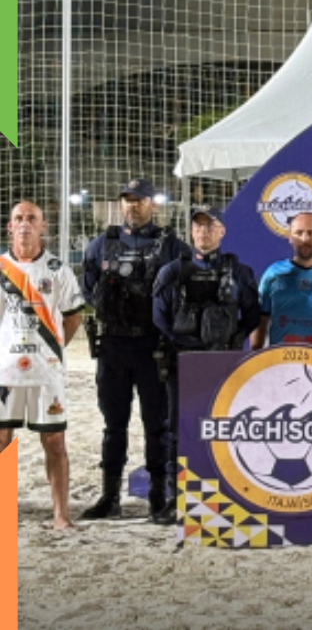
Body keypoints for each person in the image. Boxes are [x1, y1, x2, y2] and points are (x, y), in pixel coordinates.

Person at [80, 178, 190, 520]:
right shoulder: (101, 245)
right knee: (114, 424)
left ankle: (158, 497)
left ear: (152, 204)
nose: (133, 205)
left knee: (157, 425)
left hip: (152, 345)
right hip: (113, 345)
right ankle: (109, 496)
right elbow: (89, 290)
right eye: (127, 199)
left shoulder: (172, 246)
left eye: (140, 200)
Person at [151, 205, 261, 523]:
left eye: (210, 226)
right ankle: (177, 497)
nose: (203, 232)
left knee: (222, 428)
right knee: (178, 429)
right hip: (182, 362)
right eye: (198, 226)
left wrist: (229, 342)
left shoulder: (239, 272)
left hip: (222, 363)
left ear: (222, 232)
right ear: (191, 231)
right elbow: (159, 317)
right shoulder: (171, 271)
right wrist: (186, 345)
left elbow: (252, 315)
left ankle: (224, 493)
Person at [0, 202, 84, 530]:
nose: (24, 224)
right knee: (2, 439)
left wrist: (52, 349)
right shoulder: (1, 267)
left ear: (42, 226)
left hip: (46, 372)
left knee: (55, 443)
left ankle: (61, 515)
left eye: (31, 218)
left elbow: (73, 317)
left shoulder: (57, 270)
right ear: (10, 226)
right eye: (18, 218)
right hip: (5, 371)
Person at [250, 212, 312, 349]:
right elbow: (260, 318)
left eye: (311, 233)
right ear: (290, 237)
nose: (304, 239)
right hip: (281, 357)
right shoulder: (273, 273)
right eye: (299, 233)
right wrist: (255, 354)